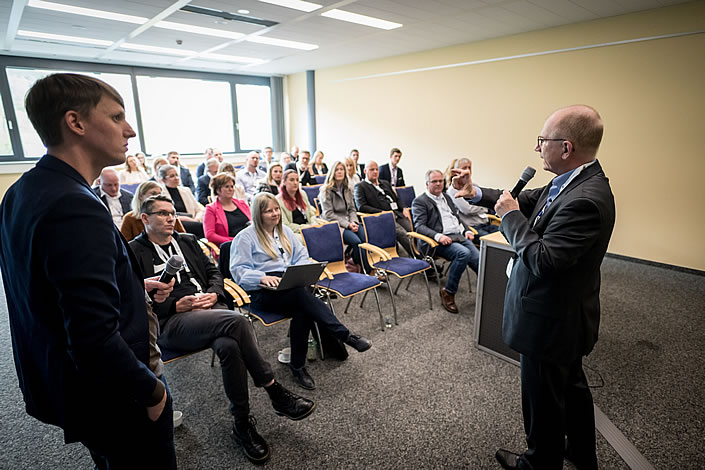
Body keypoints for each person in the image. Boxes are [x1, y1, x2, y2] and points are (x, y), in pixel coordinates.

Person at [0, 73, 176, 468]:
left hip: (69, 385)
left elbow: (48, 294)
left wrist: (130, 286)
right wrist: (153, 393)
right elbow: (92, 338)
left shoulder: (21, 191)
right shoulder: (75, 205)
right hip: (114, 391)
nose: (129, 130)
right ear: (75, 122)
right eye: (116, 117)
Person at [455, 105, 615, 470]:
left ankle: (539, 462)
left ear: (566, 148)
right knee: (571, 389)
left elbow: (543, 260)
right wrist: (475, 191)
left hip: (550, 321)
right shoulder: (574, 181)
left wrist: (509, 217)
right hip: (564, 316)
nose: (537, 147)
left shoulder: (585, 200)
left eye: (542, 140)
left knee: (542, 398)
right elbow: (526, 200)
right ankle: (580, 450)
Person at [130, 195, 315, 464]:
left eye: (172, 213)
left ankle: (242, 424)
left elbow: (216, 274)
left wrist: (214, 295)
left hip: (210, 311)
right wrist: (174, 305)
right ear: (145, 219)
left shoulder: (187, 242)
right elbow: (134, 299)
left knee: (229, 346)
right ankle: (274, 390)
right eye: (162, 214)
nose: (171, 218)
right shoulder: (134, 252)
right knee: (238, 320)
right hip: (172, 322)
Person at [231, 192, 372, 390]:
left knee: (302, 310)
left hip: (290, 285)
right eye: (268, 211)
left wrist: (303, 271)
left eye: (276, 209)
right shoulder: (245, 238)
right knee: (302, 298)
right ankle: (345, 335)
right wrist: (262, 278)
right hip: (263, 291)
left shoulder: (285, 232)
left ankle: (297, 366)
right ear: (257, 214)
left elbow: (302, 257)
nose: (274, 214)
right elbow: (239, 271)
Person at [411, 169, 480, 314]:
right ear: (427, 184)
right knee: (463, 254)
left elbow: (456, 218)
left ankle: (489, 291)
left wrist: (466, 230)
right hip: (435, 242)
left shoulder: (447, 197)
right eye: (434, 181)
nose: (438, 184)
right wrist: (438, 236)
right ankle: (448, 292)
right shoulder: (420, 201)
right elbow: (419, 227)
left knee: (480, 260)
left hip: (457, 236)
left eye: (440, 181)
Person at [318, 160, 374, 276]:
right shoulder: (326, 190)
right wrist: (348, 224)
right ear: (332, 172)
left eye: (341, 169)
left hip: (349, 221)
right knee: (356, 241)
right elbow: (329, 214)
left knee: (365, 236)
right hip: (334, 224)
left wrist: (353, 222)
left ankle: (357, 260)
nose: (339, 172)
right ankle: (368, 270)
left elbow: (352, 209)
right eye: (337, 170)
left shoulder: (347, 188)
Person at [354, 160, 414, 257]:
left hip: (397, 214)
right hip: (383, 218)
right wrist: (382, 212)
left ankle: (423, 255)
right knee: (403, 234)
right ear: (365, 171)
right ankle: (419, 257)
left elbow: (397, 199)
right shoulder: (360, 186)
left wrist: (403, 208)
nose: (375, 172)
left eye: (377, 169)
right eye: (372, 169)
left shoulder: (385, 183)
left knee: (412, 231)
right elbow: (361, 206)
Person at [446, 158, 500, 238]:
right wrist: (485, 208)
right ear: (456, 171)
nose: (467, 170)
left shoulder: (474, 186)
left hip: (485, 224)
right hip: (472, 228)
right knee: (494, 242)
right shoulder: (453, 190)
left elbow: (481, 202)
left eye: (469, 167)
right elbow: (468, 210)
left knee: (507, 236)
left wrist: (481, 204)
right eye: (464, 168)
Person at [121, 180, 185, 242]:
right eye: (153, 193)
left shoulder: (171, 216)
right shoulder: (129, 218)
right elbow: (125, 245)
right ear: (141, 196)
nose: (157, 197)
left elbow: (182, 239)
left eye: (160, 194)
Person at [203, 173, 251, 246]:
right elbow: (210, 235)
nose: (231, 189)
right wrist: (234, 240)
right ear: (218, 190)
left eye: (232, 186)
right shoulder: (211, 209)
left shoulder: (242, 204)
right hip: (229, 246)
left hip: (249, 242)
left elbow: (253, 223)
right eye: (227, 187)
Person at [158, 163, 205, 237]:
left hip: (194, 221)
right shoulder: (160, 194)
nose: (176, 178)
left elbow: (199, 209)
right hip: (175, 222)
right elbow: (165, 214)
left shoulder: (186, 190)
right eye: (172, 176)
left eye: (177, 175)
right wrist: (187, 219)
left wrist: (197, 219)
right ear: (163, 179)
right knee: (198, 227)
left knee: (201, 226)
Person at [276, 169, 321, 236]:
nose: (295, 183)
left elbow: (312, 215)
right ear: (284, 182)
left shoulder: (302, 194)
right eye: (292, 180)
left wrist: (313, 225)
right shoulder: (278, 200)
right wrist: (305, 228)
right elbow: (285, 225)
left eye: (297, 180)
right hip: (295, 233)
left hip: (309, 227)